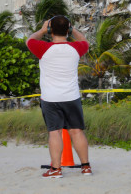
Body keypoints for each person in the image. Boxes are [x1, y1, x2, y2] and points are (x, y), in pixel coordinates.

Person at [26, 15, 92, 178]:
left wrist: (42, 30)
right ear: (68, 30)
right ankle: (86, 167)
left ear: (51, 30)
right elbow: (85, 41)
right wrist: (73, 29)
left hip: (50, 98)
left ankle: (56, 169)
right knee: (76, 132)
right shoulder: (76, 48)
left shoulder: (43, 48)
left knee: (54, 133)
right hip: (71, 96)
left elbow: (29, 40)